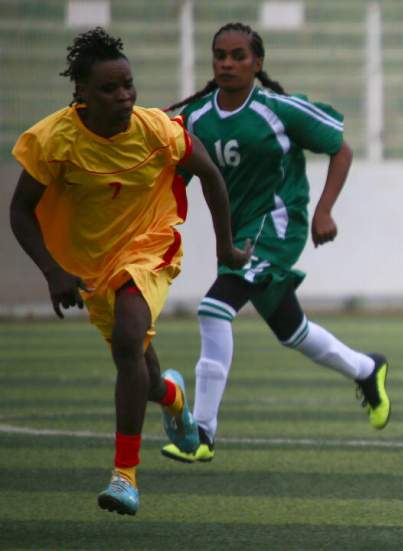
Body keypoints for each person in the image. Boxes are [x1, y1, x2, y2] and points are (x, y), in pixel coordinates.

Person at [9, 28, 250, 515]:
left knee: (127, 338)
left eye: (128, 86)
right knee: (138, 361)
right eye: (109, 89)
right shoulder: (51, 140)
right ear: (81, 92)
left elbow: (210, 176)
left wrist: (225, 246)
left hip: (151, 245)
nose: (124, 97)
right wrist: (54, 271)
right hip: (90, 266)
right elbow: (20, 211)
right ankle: (174, 397)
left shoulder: (159, 129)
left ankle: (125, 476)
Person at [158, 22, 390, 464]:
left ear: (257, 63)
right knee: (292, 331)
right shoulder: (198, 118)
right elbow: (175, 178)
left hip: (277, 227)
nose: (227, 63)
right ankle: (366, 368)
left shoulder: (278, 110)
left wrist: (324, 210)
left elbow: (340, 149)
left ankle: (202, 433)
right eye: (220, 55)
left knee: (213, 310)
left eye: (238, 56)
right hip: (239, 235)